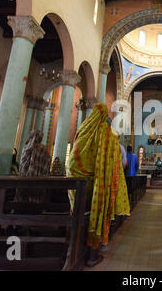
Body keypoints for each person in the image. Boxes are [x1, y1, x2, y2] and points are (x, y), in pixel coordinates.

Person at [67, 103, 130, 268]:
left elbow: (74, 158)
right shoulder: (107, 134)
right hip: (97, 184)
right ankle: (92, 254)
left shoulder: (83, 129)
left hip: (75, 182)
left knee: (79, 212)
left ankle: (73, 246)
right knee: (96, 212)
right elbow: (113, 163)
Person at [18, 131, 51, 202]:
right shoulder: (44, 150)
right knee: (36, 201)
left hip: (24, 180)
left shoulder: (27, 147)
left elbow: (22, 165)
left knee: (23, 201)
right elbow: (46, 167)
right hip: (39, 181)